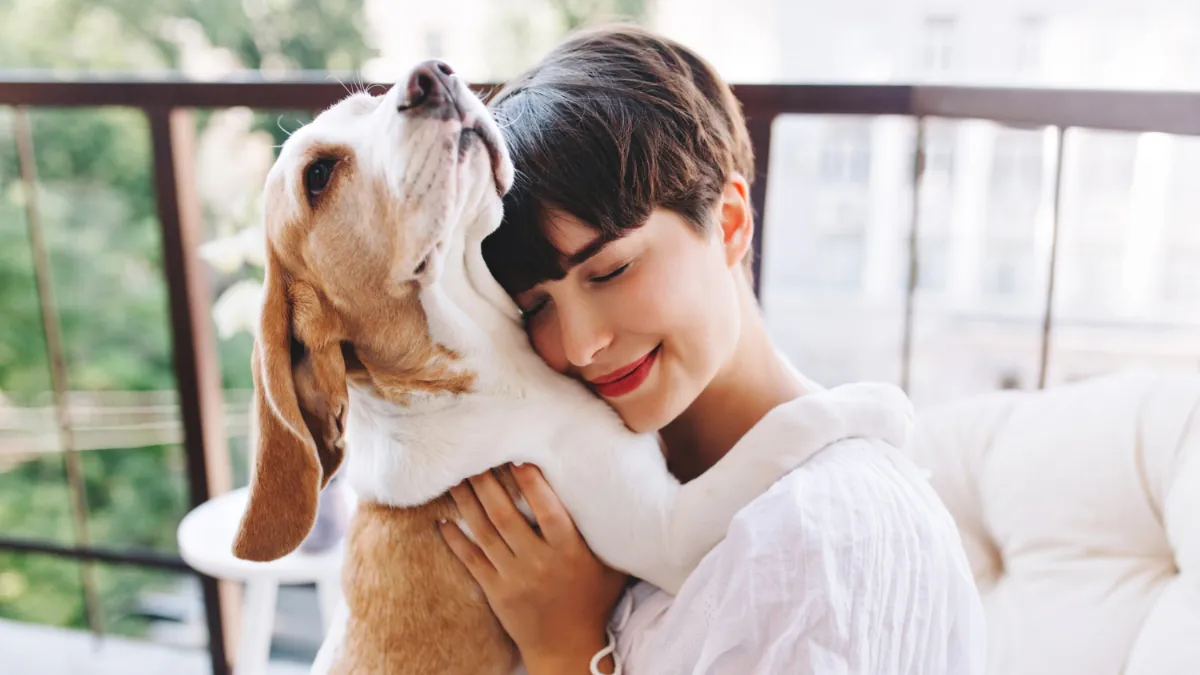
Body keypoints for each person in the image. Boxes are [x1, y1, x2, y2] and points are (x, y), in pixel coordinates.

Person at [436, 25, 986, 675]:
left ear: (728, 221)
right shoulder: (582, 504)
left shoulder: (822, 536)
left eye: (609, 270)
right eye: (536, 307)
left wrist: (566, 647)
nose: (581, 346)